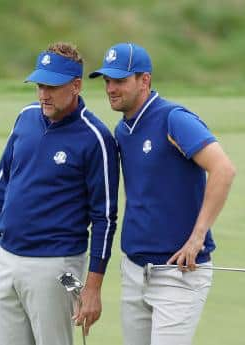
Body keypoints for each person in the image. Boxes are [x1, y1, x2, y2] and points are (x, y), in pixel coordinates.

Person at [0, 42, 119, 345]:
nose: (43, 94)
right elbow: (3, 182)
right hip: (8, 259)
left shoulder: (95, 137)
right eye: (39, 85)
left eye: (52, 86)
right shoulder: (25, 117)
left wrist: (92, 287)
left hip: (57, 267)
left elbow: (104, 218)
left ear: (75, 86)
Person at [89, 43, 236, 345]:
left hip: (178, 274)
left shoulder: (173, 119)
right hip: (134, 271)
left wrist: (197, 237)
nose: (110, 88)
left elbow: (223, 169)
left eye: (120, 80)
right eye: (107, 81)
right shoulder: (122, 130)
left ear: (144, 80)